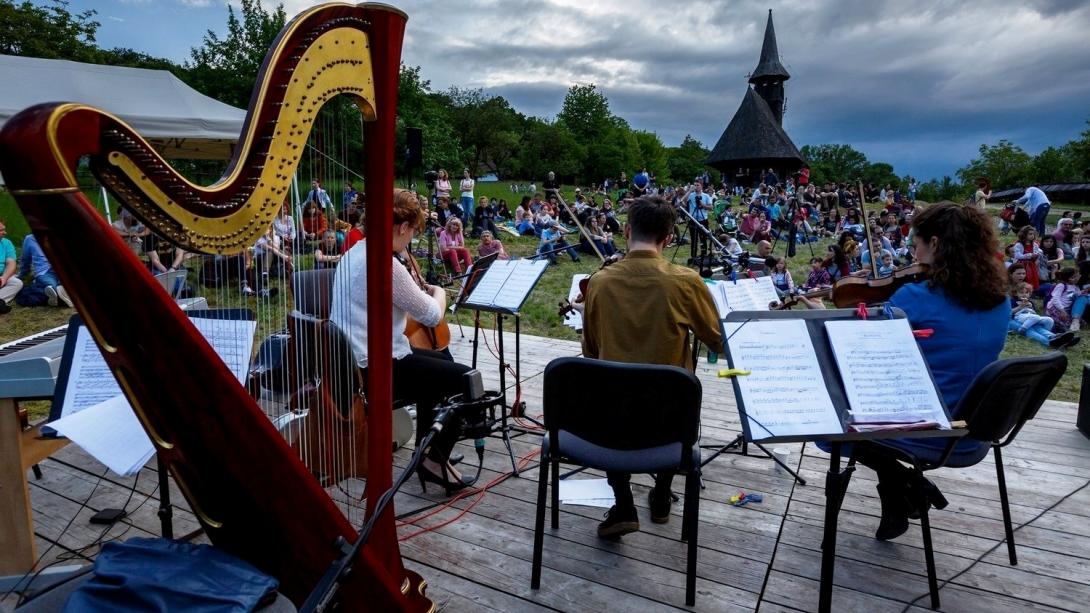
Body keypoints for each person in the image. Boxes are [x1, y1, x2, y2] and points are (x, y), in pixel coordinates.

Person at [837, 203, 1010, 542]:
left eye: (915, 243)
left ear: (935, 244)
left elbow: (861, 353)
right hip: (978, 431)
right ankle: (899, 488)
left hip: (930, 429)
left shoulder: (915, 297)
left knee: (830, 426)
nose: (911, 252)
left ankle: (905, 483)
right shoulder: (1000, 299)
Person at [579, 195, 724, 538]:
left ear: (627, 230)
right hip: (669, 423)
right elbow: (717, 339)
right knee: (676, 396)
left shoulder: (598, 282)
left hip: (610, 424)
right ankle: (661, 496)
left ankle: (624, 504)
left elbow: (590, 351)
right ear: (669, 238)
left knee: (613, 392)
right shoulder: (686, 281)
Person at [329, 189, 472, 494]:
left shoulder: (353, 254)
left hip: (352, 365)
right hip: (376, 370)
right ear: (402, 227)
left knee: (442, 361)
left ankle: (429, 452)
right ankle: (433, 460)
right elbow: (432, 316)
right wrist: (440, 293)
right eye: (413, 232)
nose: (410, 241)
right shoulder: (386, 264)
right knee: (467, 381)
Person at [1010, 282, 1077, 348]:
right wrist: (1020, 307)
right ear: (1016, 293)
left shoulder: (1029, 302)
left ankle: (1056, 338)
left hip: (1030, 318)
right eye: (1021, 293)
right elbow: (1008, 313)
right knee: (1031, 330)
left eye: (1026, 293)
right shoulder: (1013, 301)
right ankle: (1049, 343)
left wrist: (1030, 306)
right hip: (1017, 318)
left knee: (1041, 326)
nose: (1024, 295)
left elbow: (1032, 312)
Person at [15, 233, 72, 308]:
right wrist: (21, 275)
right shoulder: (30, 239)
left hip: (62, 270)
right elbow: (25, 260)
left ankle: (58, 296)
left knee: (57, 289)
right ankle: (61, 295)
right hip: (45, 272)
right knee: (52, 288)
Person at [1045, 267, 1087, 332]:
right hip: (1056, 308)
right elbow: (1055, 299)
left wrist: (1083, 292)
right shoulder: (1061, 285)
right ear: (1071, 278)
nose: (1079, 276)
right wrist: (1062, 311)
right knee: (1063, 325)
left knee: (1082, 323)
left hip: (1066, 310)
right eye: (1077, 276)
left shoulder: (1075, 287)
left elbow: (1076, 295)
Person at [0, 220, 23, 314]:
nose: (5, 233)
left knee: (17, 283)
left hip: (2, 276)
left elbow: (11, 263)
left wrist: (4, 279)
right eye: (1, 230)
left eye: (4, 230)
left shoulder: (6, 243)